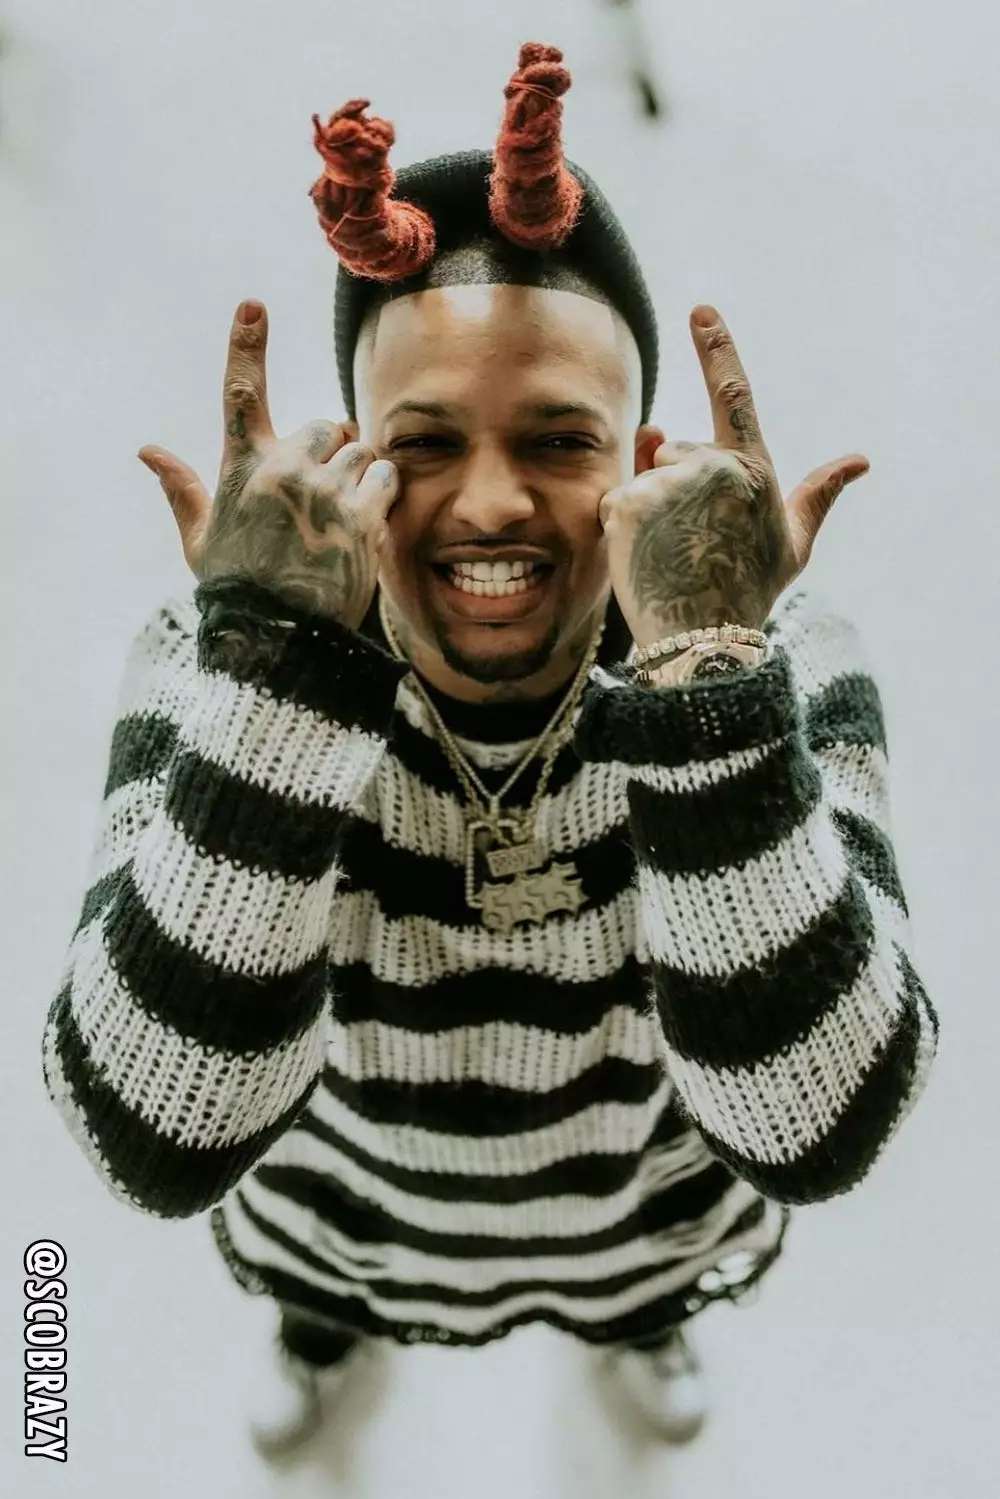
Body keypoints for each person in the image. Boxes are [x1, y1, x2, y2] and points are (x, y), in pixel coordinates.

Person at [41, 41, 939, 1459]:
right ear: (351, 455)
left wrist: (705, 673)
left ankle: (644, 1321)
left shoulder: (777, 657)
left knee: (640, 1287)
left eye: (562, 438)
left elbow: (819, 1127)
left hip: (645, 1222)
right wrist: (281, 671)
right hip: (337, 1225)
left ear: (643, 462)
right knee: (318, 1287)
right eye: (425, 442)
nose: (492, 502)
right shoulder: (218, 659)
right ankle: (321, 1334)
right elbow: (150, 1135)